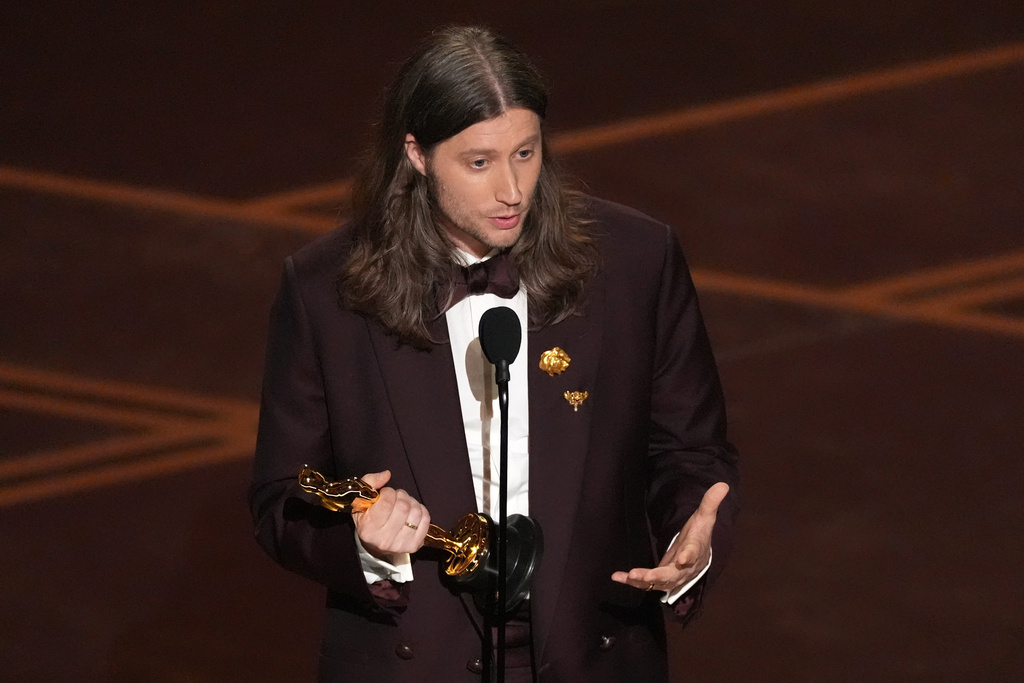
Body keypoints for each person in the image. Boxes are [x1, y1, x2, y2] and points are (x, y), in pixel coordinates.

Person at [250, 25, 739, 682]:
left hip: (593, 657)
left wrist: (690, 535)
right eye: (479, 163)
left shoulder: (635, 263)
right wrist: (367, 547)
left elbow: (690, 448)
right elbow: (281, 497)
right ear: (417, 154)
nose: (512, 190)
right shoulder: (325, 291)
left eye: (526, 153)